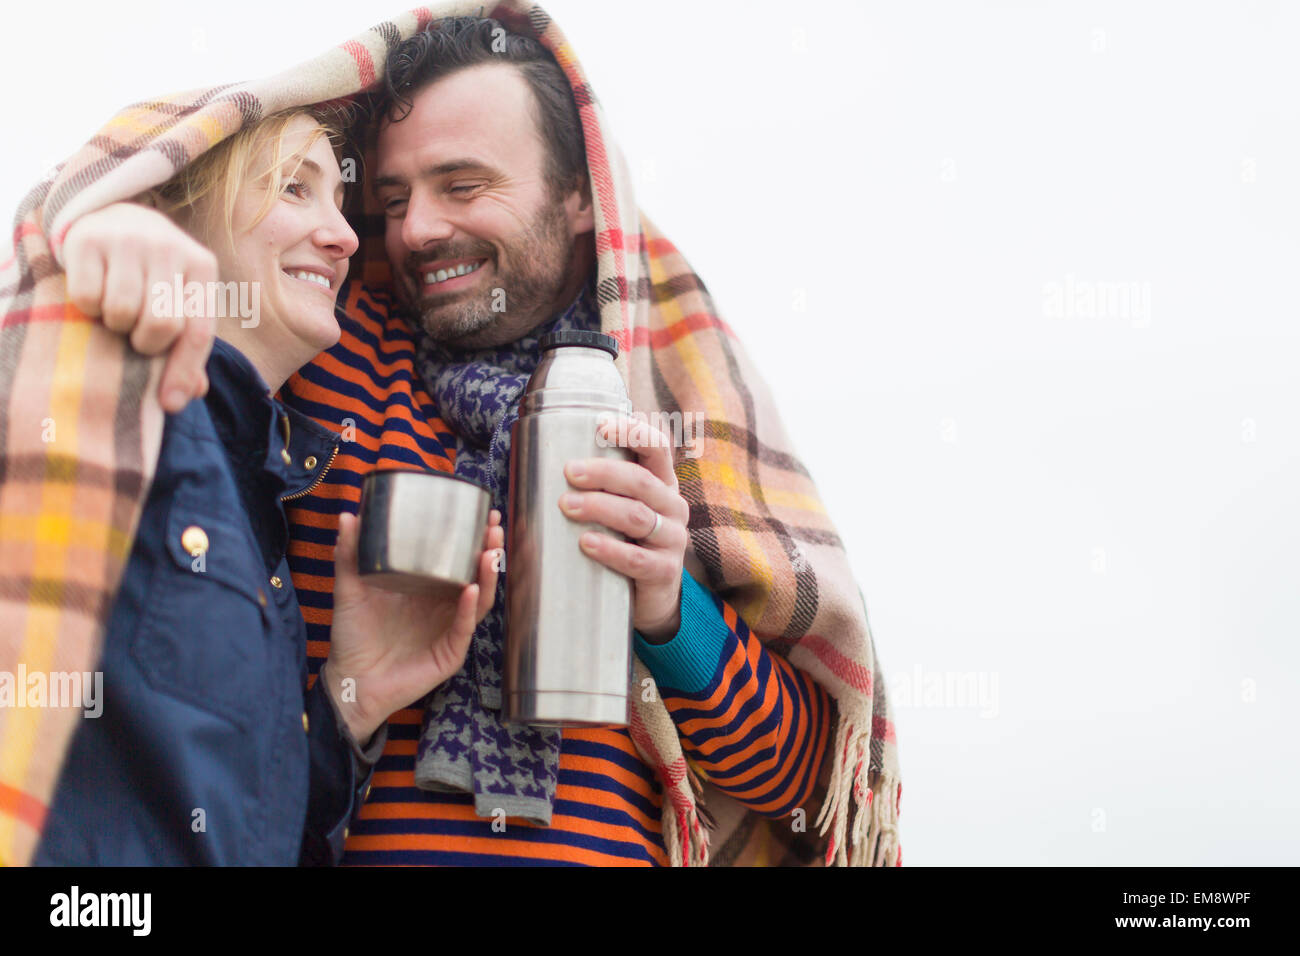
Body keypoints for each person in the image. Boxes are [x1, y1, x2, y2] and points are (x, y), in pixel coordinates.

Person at [2, 5, 901, 867]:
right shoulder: (327, 347)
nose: (416, 230)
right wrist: (113, 231)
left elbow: (808, 796)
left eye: (463, 185)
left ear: (582, 195)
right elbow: (185, 246)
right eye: (390, 199)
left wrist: (669, 607)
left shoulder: (663, 411)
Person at [25, 107, 504, 865]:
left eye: (341, 204)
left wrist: (354, 693)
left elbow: (251, 838)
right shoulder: (110, 398)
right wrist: (75, 239)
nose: (345, 236)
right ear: (174, 216)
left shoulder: (259, 503)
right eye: (292, 189)